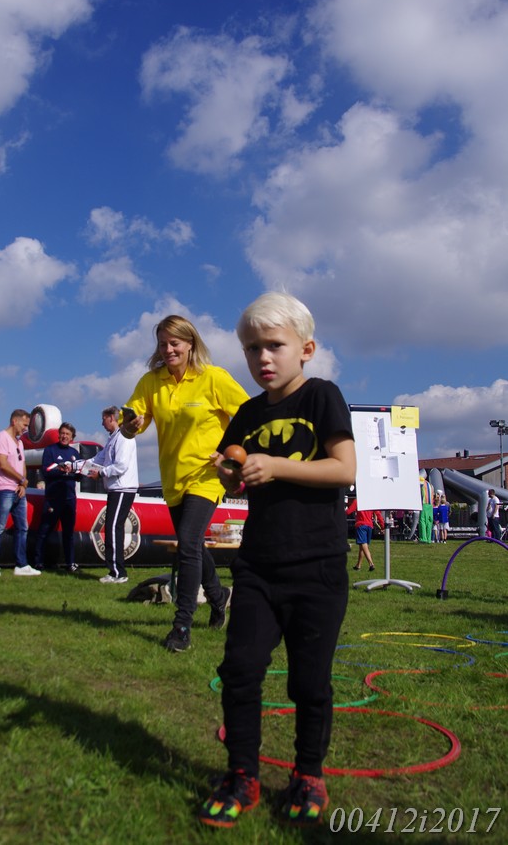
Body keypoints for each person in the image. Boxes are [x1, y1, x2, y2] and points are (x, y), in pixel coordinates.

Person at [198, 292, 356, 829]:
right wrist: (229, 472)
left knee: (309, 683)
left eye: (274, 346)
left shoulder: (322, 396)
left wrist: (276, 465)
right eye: (251, 349)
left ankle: (308, 774)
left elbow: (343, 469)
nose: (262, 358)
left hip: (318, 566)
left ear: (305, 349)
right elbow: (235, 475)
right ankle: (241, 773)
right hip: (259, 566)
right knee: (240, 670)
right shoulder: (247, 413)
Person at [121, 314, 248, 652]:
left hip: (206, 475)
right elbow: (132, 421)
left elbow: (249, 413)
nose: (168, 350)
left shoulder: (213, 377)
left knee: (189, 543)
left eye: (174, 343)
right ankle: (219, 596)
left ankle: (181, 626)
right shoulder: (152, 382)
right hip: (173, 477)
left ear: (191, 344)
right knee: (192, 546)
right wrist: (129, 425)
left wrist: (228, 452)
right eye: (163, 344)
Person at [88, 406, 139, 584]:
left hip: (123, 488)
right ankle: (115, 570)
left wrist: (101, 473)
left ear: (111, 418)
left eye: (103, 419)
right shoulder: (113, 438)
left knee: (113, 527)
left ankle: (118, 572)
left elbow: (121, 466)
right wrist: (77, 466)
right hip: (116, 488)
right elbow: (98, 459)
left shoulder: (124, 437)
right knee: (112, 527)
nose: (102, 423)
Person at [0, 409, 41, 578]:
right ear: (14, 421)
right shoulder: (1, 437)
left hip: (18, 490)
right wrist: (21, 479)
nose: (25, 429)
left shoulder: (19, 442)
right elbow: (3, 464)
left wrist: (23, 484)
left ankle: (21, 564)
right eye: (24, 425)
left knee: (22, 527)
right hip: (3, 488)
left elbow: (22, 463)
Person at [34, 423, 81, 573]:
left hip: (70, 498)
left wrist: (80, 472)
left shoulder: (75, 453)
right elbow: (46, 471)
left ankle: (70, 563)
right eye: (62, 433)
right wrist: (61, 470)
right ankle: (38, 562)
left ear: (72, 437)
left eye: (67, 434)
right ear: (59, 434)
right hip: (53, 498)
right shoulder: (50, 450)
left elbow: (79, 476)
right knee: (45, 530)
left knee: (69, 533)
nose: (64, 436)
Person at [347, 500, 383, 571]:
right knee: (363, 547)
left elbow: (348, 511)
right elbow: (378, 513)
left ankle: (371, 564)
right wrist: (382, 525)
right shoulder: (371, 501)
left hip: (361, 525)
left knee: (363, 544)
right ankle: (358, 565)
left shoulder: (357, 501)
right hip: (369, 526)